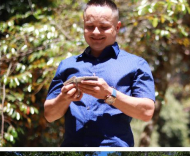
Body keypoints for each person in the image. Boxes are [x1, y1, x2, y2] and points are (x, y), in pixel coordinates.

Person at [43, 0, 155, 146]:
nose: (96, 32)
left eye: (104, 27)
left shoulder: (136, 64)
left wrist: (109, 94)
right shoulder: (67, 65)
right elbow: (50, 115)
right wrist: (63, 99)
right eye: (90, 26)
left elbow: (146, 112)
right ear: (83, 26)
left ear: (117, 27)